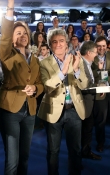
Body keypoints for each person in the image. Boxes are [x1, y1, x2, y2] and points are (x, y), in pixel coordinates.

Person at [0, 0, 44, 175]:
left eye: (24, 32)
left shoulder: (35, 58)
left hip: (30, 110)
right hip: (10, 110)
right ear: (12, 37)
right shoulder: (7, 53)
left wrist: (36, 90)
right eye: (18, 32)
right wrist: (10, 4)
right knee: (12, 160)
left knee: (25, 157)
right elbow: (5, 37)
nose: (22, 35)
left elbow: (40, 83)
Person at [38, 28, 89, 175]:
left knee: (76, 150)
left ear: (67, 43)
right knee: (53, 151)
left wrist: (77, 70)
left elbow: (84, 85)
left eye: (61, 41)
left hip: (74, 110)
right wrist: (63, 72)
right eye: (54, 42)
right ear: (50, 45)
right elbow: (47, 87)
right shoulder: (44, 63)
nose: (58, 44)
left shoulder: (76, 59)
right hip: (54, 111)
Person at [80, 41, 101, 160]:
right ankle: (78, 159)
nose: (96, 55)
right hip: (82, 103)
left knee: (87, 130)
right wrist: (98, 89)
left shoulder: (88, 64)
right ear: (88, 52)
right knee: (82, 132)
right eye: (95, 52)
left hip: (89, 102)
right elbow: (83, 86)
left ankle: (86, 151)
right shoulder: (80, 64)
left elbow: (91, 81)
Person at [91, 36, 110, 153]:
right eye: (99, 46)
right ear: (95, 47)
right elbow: (91, 76)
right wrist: (100, 71)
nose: (101, 48)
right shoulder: (91, 58)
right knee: (101, 120)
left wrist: (105, 75)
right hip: (100, 92)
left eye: (103, 45)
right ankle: (100, 143)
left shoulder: (109, 56)